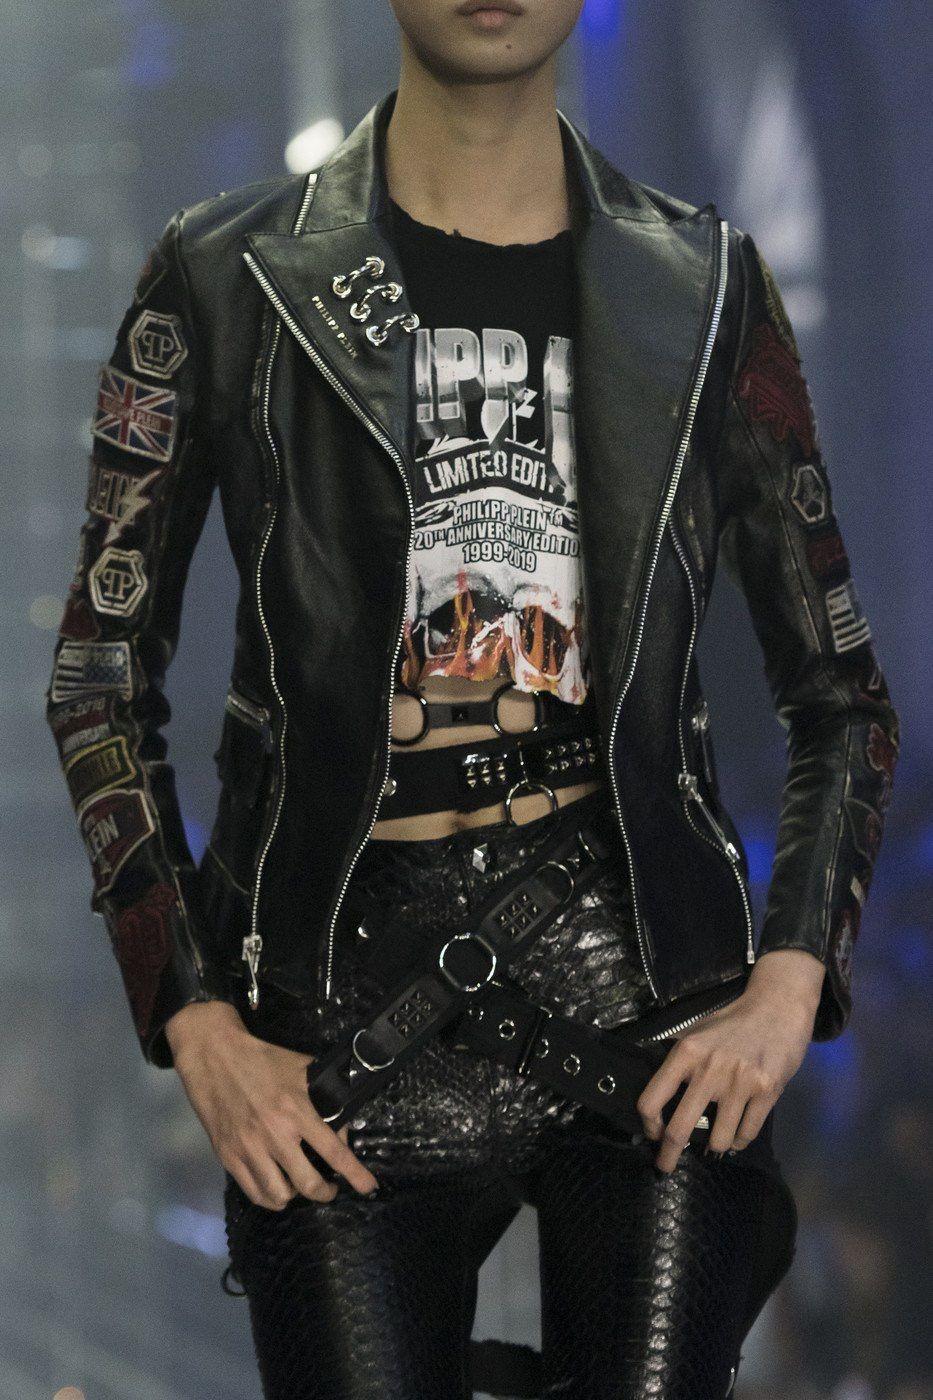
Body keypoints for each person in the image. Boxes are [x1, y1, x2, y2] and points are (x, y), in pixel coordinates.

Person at [45, 1, 900, 1396]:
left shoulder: (703, 285)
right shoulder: (225, 273)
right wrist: (193, 1021)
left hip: (645, 989)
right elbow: (98, 674)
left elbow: (841, 696)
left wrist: (793, 978)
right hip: (335, 1004)